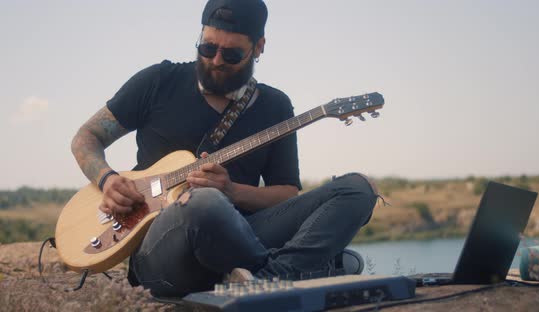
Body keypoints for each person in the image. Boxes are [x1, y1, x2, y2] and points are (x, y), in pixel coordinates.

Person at [70, 0, 377, 297]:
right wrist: (107, 179)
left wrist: (232, 191)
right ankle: (298, 270)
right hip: (162, 252)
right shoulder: (158, 81)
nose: (216, 60)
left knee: (356, 189)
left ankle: (265, 279)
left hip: (246, 233)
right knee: (204, 203)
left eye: (231, 54)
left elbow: (285, 193)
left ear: (258, 47)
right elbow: (86, 136)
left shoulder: (275, 105)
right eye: (207, 47)